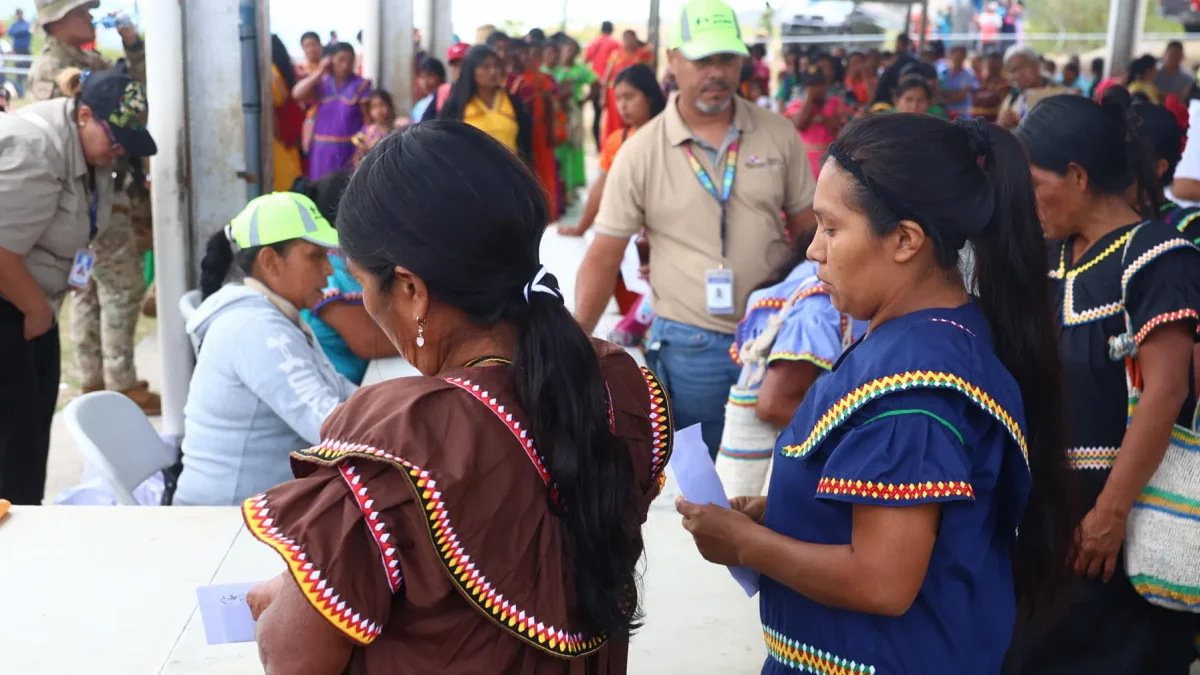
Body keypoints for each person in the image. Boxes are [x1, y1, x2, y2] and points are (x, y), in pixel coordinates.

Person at [240, 120, 672, 674]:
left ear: (411, 290)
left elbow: (295, 656)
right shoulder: (615, 385)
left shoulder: (403, 440)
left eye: (362, 282)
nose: (365, 300)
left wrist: (288, 594)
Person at [676, 113, 1074, 675]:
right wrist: (789, 513)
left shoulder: (915, 389)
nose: (813, 251)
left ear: (906, 240)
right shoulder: (924, 337)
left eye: (831, 228)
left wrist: (746, 545)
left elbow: (881, 580)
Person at [1006, 94, 1200, 675]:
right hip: (1047, 518)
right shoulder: (1050, 258)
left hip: (1124, 519)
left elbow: (1165, 391)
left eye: (1035, 183)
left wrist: (1110, 513)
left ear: (1078, 176)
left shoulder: (1158, 256)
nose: (1029, 199)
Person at [575, 0, 817, 459]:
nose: (717, 72)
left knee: (775, 474)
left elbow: (811, 234)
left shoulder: (777, 133)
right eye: (703, 59)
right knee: (706, 481)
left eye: (726, 58)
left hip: (775, 339)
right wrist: (574, 336)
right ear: (673, 61)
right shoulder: (641, 151)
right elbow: (605, 253)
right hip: (689, 346)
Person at [0, 67, 157, 505]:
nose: (120, 150)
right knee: (12, 445)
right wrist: (35, 310)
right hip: (13, 304)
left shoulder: (90, 152)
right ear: (84, 115)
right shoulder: (34, 149)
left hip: (31, 304)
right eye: (116, 139)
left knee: (29, 439)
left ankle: (24, 527)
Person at [177, 192, 355, 507]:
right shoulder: (256, 329)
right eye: (315, 256)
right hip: (226, 518)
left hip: (257, 506)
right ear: (270, 262)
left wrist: (402, 406)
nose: (329, 270)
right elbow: (328, 427)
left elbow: (339, 390)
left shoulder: (276, 315)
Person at [29, 0, 159, 413]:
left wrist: (132, 45)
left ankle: (96, 380)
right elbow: (70, 141)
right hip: (87, 195)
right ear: (59, 20)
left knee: (89, 286)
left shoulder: (88, 60)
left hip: (101, 191)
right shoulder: (50, 69)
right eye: (82, 10)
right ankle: (119, 382)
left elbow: (136, 97)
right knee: (122, 287)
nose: (90, 16)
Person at [714, 228, 865, 498]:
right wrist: (861, 433)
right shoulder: (822, 304)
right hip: (788, 475)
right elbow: (773, 404)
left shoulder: (818, 280)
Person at [297, 170, 398, 385]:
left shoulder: (349, 260)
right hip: (340, 389)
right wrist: (433, 339)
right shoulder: (330, 268)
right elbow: (368, 342)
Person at [560, 63, 666, 239]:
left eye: (629, 97)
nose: (622, 106)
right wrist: (581, 229)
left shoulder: (669, 138)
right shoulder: (616, 141)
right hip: (628, 234)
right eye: (618, 99)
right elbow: (599, 188)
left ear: (650, 96)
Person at [294, 41, 372, 181]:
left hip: (349, 150)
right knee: (321, 187)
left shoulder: (361, 85)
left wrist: (361, 149)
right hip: (322, 150)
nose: (345, 65)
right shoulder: (321, 83)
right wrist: (320, 71)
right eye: (341, 60)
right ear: (330, 60)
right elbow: (297, 94)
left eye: (350, 61)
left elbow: (367, 121)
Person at [441, 45, 532, 162]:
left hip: (509, 170)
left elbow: (526, 142)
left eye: (496, 66)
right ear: (471, 70)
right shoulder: (456, 105)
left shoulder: (513, 102)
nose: (493, 72)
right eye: (485, 66)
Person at [508, 40, 562, 220]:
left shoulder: (542, 79)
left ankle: (547, 210)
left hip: (540, 130)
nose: (527, 58)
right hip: (523, 133)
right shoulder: (515, 80)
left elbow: (552, 105)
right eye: (524, 54)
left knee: (544, 169)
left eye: (532, 55)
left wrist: (551, 129)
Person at [552, 36, 598, 197]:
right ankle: (561, 187)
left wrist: (583, 101)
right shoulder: (554, 68)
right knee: (559, 147)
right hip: (556, 113)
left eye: (572, 50)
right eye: (567, 49)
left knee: (573, 145)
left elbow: (596, 83)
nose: (569, 52)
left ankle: (572, 186)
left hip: (573, 113)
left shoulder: (580, 70)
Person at [789, 65, 848, 179]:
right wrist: (809, 99)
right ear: (805, 88)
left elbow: (838, 124)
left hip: (829, 163)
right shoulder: (796, 104)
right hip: (804, 166)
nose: (816, 89)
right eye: (811, 85)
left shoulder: (835, 102)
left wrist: (821, 119)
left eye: (819, 84)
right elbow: (799, 123)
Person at [997, 46, 1072, 129]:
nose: (1018, 74)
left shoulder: (1059, 93)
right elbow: (999, 126)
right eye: (1013, 70)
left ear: (1036, 65)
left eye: (1022, 67)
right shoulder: (1013, 98)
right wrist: (1002, 125)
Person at [601, 30, 653, 141]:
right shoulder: (616, 54)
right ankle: (615, 143)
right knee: (616, 120)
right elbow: (606, 76)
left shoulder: (642, 53)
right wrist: (603, 96)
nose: (628, 42)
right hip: (614, 93)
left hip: (634, 93)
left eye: (631, 38)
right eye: (626, 39)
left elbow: (649, 72)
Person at [270, 34, 303, 193]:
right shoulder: (284, 70)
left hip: (277, 138)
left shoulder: (270, 71)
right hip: (289, 137)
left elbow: (273, 105)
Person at [585, 21, 621, 148]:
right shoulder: (616, 44)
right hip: (610, 86)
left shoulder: (594, 42)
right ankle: (612, 144)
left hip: (596, 83)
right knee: (613, 116)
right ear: (612, 30)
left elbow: (586, 59)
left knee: (597, 115)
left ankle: (598, 146)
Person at [351, 90, 394, 164]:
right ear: (369, 110)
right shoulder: (366, 132)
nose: (379, 110)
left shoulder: (396, 127)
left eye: (382, 105)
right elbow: (357, 159)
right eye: (374, 107)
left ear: (390, 106)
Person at [940, 45, 978, 119]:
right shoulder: (944, 73)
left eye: (960, 56)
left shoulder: (969, 74)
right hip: (946, 115)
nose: (957, 59)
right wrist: (956, 93)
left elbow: (963, 96)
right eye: (955, 56)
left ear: (964, 57)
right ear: (950, 56)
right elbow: (940, 93)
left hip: (963, 116)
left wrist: (947, 96)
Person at [972, 51, 1009, 122]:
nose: (991, 66)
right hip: (975, 122)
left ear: (1001, 65)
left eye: (994, 63)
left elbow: (993, 100)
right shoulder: (981, 80)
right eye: (989, 63)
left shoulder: (1005, 82)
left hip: (993, 123)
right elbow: (973, 98)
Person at [410, 57, 445, 124]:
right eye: (422, 77)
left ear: (441, 77)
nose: (425, 82)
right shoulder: (419, 106)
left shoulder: (446, 100)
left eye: (429, 76)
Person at [8, 8, 30, 95]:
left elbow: (27, 30)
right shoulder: (14, 24)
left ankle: (28, 90)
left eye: (20, 13)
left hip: (26, 50)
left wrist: (17, 32)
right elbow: (10, 32)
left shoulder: (27, 23)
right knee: (18, 72)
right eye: (18, 14)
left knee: (28, 70)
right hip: (17, 50)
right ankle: (21, 92)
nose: (19, 15)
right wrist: (21, 32)